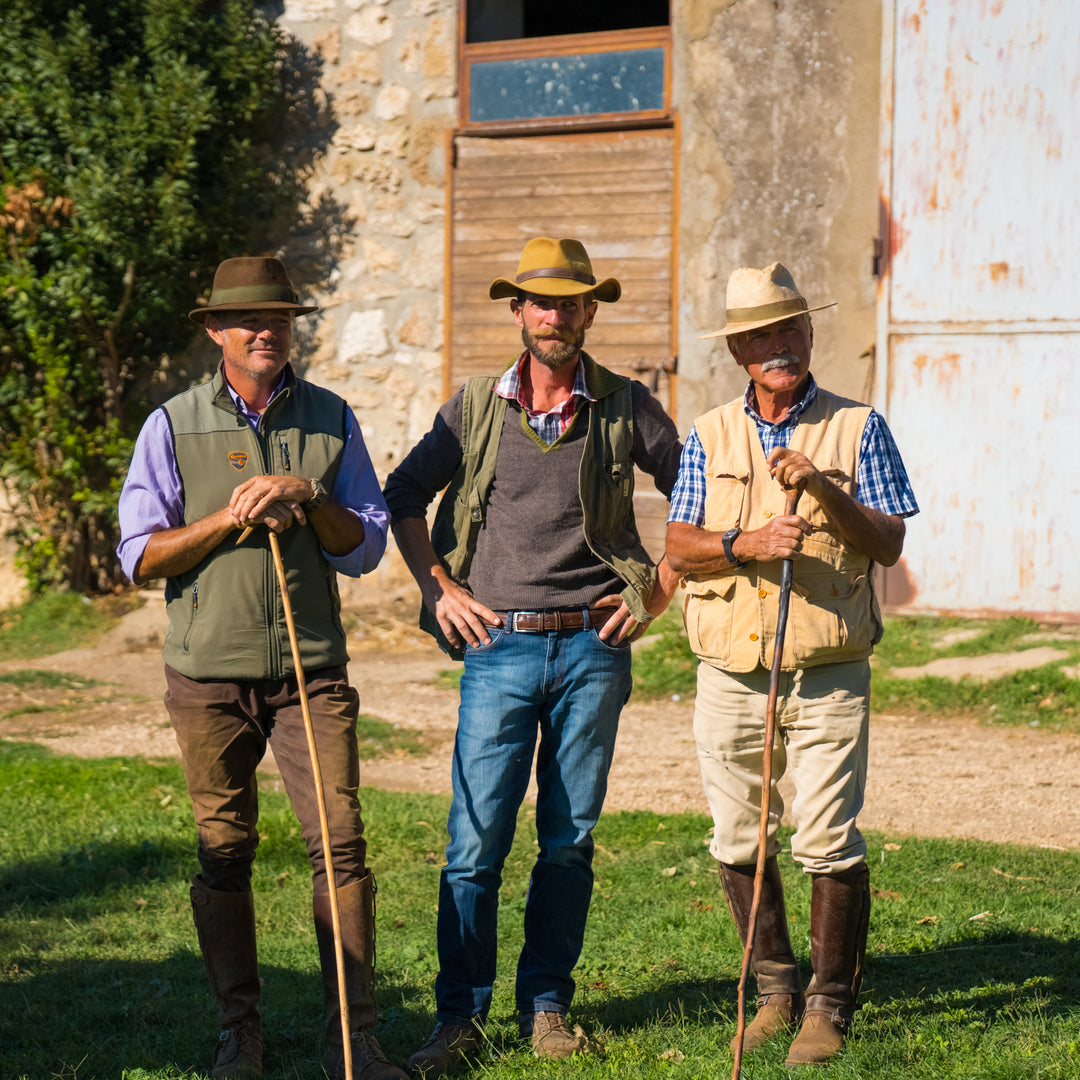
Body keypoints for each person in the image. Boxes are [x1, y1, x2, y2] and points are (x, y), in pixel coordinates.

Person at [383, 237, 682, 1075]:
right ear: (518, 312)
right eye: (540, 302)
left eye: (571, 301)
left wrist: (653, 593)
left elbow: (694, 491)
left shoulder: (625, 405)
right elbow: (403, 494)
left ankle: (547, 1007)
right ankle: (459, 1021)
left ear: (591, 311)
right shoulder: (474, 407)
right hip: (498, 646)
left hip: (593, 646)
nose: (556, 316)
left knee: (568, 840)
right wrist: (440, 586)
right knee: (474, 842)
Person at [116, 257, 406, 1080]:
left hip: (311, 674)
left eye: (279, 318)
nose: (266, 331)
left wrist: (310, 494)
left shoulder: (330, 417)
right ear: (216, 331)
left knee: (341, 848)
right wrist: (227, 518)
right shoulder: (171, 424)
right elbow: (141, 556)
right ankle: (239, 1032)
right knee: (224, 850)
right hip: (206, 677)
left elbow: (367, 545)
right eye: (248, 320)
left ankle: (354, 1038)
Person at [665, 262, 918, 1067]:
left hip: (828, 665)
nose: (780, 346)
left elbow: (888, 544)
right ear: (740, 348)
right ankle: (775, 992)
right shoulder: (707, 433)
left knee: (828, 837)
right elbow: (678, 546)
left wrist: (822, 490)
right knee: (739, 835)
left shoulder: (858, 427)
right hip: (729, 669)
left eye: (792, 329)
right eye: (763, 335)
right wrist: (744, 544)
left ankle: (828, 1006)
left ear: (810, 335)